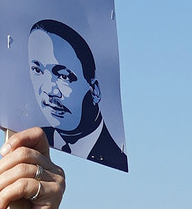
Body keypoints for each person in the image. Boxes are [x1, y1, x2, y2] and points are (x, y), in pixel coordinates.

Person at [27, 20, 128, 170]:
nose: (49, 90)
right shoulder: (30, 143)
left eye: (63, 76)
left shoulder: (116, 161)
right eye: (38, 70)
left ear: (94, 90)